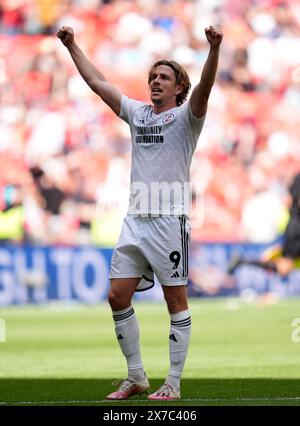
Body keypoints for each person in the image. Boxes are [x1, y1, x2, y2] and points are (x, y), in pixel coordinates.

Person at [57, 25, 223, 401]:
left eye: (164, 77)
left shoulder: (187, 117)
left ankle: (174, 384)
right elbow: (98, 82)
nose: (156, 82)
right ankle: (136, 376)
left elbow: (206, 88)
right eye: (152, 77)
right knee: (117, 296)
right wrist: (72, 45)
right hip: (135, 221)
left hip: (169, 222)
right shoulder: (138, 114)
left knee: (175, 302)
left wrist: (214, 48)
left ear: (179, 87)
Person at [228, 172, 300, 277]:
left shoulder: (296, 178)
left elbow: (288, 201)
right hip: (297, 228)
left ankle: (242, 261)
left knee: (284, 267)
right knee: (284, 267)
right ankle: (242, 261)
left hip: (293, 224)